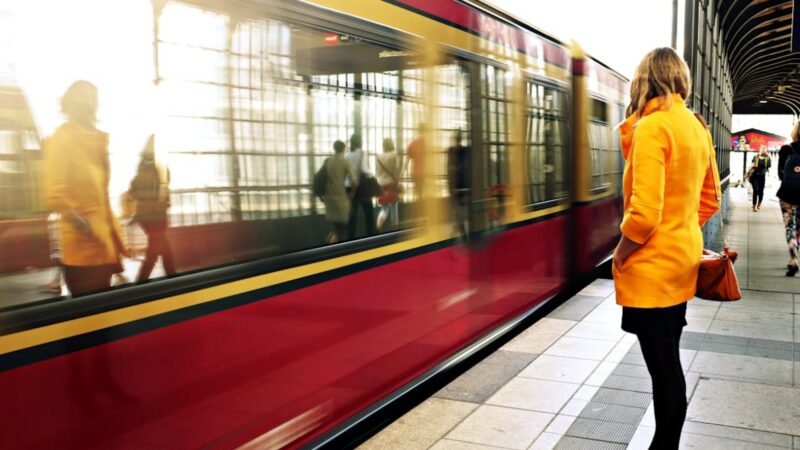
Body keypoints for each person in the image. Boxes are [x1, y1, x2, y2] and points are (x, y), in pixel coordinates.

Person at [613, 48, 720, 450]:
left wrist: (620, 254)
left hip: (653, 268)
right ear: (681, 80)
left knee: (663, 367)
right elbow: (710, 200)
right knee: (667, 361)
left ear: (643, 80)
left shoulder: (653, 127)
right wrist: (681, 232)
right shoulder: (695, 126)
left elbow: (643, 215)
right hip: (680, 264)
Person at [43, 80, 127, 296]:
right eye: (82, 97)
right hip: (82, 254)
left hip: (104, 248)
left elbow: (103, 197)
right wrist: (85, 226)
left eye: (92, 98)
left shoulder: (98, 139)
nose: (89, 103)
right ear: (69, 104)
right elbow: (54, 194)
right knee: (91, 321)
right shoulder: (62, 139)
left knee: (103, 318)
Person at [129, 135, 176, 282]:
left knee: (160, 248)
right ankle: (143, 283)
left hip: (146, 217)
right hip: (157, 216)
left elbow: (132, 190)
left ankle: (171, 276)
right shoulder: (160, 169)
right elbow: (166, 186)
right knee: (156, 250)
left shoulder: (141, 170)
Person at [777, 122, 800, 276]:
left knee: (789, 227)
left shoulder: (786, 149)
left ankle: (793, 257)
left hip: (787, 194)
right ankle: (796, 244)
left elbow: (780, 174)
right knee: (799, 227)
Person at [323, 140, 357, 243]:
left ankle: (330, 242)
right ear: (343, 149)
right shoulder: (345, 161)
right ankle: (332, 246)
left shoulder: (328, 161)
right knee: (342, 227)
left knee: (336, 226)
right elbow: (354, 180)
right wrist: (352, 193)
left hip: (329, 198)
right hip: (340, 198)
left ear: (334, 148)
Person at [346, 133, 376, 239]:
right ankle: (371, 237)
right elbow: (364, 169)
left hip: (349, 188)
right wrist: (371, 175)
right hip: (362, 188)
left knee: (352, 216)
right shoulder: (362, 153)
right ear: (360, 142)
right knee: (368, 214)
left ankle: (351, 239)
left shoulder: (347, 155)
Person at [447, 129, 471, 236]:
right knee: (459, 208)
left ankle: (458, 228)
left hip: (457, 184)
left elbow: (448, 169)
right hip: (461, 183)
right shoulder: (464, 151)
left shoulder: (452, 151)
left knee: (458, 208)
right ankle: (458, 228)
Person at [375, 138, 401, 232]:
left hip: (381, 184)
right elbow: (397, 170)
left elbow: (377, 172)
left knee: (384, 209)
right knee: (394, 207)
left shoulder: (378, 157)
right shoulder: (394, 155)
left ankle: (378, 227)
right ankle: (395, 229)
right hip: (391, 183)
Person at [406, 123, 427, 202]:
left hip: (414, 172)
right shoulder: (427, 144)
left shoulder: (413, 144)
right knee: (421, 192)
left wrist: (404, 170)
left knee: (417, 192)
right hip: (424, 172)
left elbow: (408, 158)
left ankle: (417, 206)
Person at [748, 144, 771, 211]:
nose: (763, 149)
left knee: (761, 191)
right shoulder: (755, 157)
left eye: (764, 148)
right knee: (755, 190)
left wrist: (767, 171)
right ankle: (754, 205)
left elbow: (768, 166)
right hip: (754, 175)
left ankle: (759, 203)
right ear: (760, 149)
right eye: (762, 148)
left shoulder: (768, 158)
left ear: (766, 150)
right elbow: (751, 165)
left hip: (762, 176)